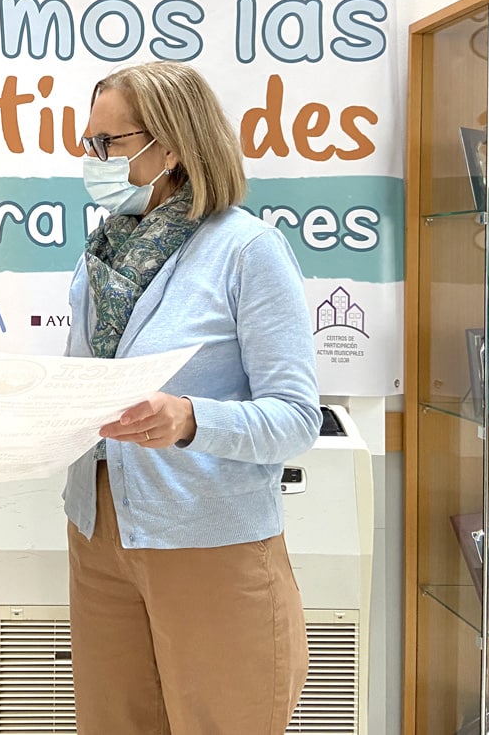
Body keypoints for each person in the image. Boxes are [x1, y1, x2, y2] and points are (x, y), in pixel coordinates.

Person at [63, 61, 322, 735]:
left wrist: (189, 419)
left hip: (209, 542)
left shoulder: (248, 251)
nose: (91, 158)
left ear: (170, 146)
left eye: (107, 143)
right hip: (97, 529)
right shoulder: (100, 260)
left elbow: (296, 419)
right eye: (88, 141)